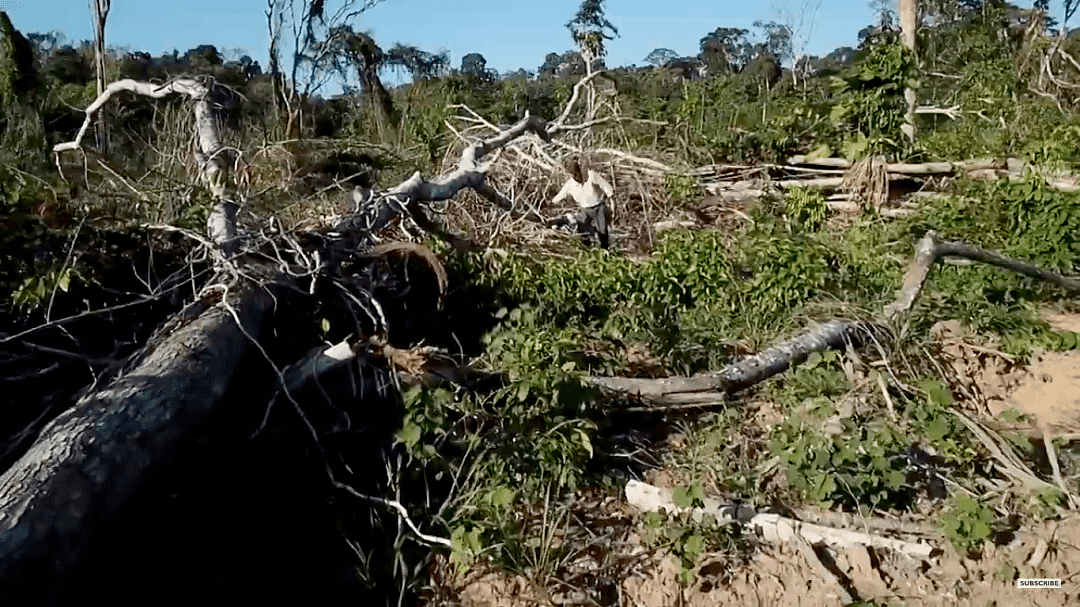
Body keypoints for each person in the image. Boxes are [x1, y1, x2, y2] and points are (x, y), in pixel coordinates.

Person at [550, 156, 614, 249]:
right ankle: (588, 251)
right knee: (584, 232)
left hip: (598, 207)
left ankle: (606, 251)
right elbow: (561, 194)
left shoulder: (591, 176)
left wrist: (612, 203)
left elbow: (606, 187)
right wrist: (552, 202)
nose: (576, 177)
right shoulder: (570, 184)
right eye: (573, 175)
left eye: (576, 174)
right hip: (585, 210)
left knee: (603, 232)